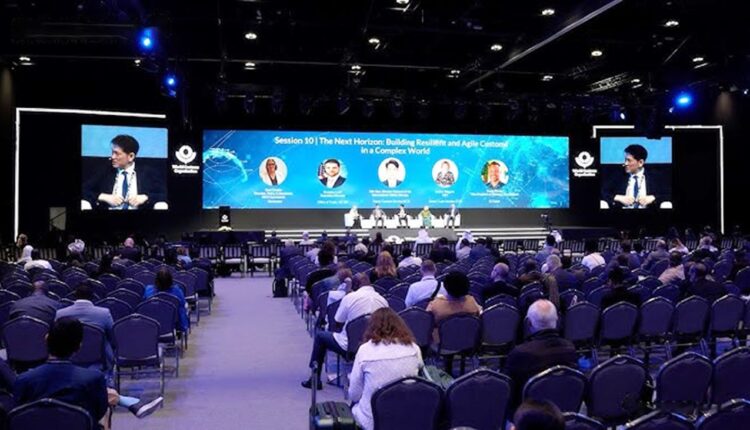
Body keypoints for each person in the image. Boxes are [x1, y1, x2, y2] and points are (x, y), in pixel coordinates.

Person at [13, 318, 163, 426]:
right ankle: (129, 402)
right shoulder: (93, 378)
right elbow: (97, 414)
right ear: (79, 347)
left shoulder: (23, 379)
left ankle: (130, 402)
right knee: (106, 404)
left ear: (46, 339)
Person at [302, 273, 388, 389]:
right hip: (375, 344)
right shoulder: (383, 300)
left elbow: (337, 321)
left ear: (354, 285)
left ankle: (314, 378)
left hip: (350, 346)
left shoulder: (350, 298)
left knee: (320, 337)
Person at [348, 308, 423, 430]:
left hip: (372, 422)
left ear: (372, 327)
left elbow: (354, 394)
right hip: (406, 417)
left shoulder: (365, 350)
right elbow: (419, 375)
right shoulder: (414, 348)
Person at [504, 300, 577, 411]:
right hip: (562, 413)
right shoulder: (570, 349)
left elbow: (507, 392)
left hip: (528, 415)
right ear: (557, 320)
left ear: (528, 323)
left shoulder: (520, 353)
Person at [83, 134, 165, 210]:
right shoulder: (105, 170)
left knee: (162, 206)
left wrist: (146, 197)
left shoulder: (147, 172)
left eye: (117, 153)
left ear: (131, 156)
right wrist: (104, 196)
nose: (112, 157)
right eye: (112, 152)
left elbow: (164, 194)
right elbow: (83, 190)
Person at [56, 283, 116, 369]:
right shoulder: (104, 313)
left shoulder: (60, 314)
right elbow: (113, 336)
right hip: (100, 360)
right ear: (93, 296)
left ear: (74, 296)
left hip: (68, 359)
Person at [426, 271, 481, 343]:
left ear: (445, 286)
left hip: (442, 343)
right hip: (469, 342)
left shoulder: (435, 305)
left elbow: (425, 323)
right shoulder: (472, 302)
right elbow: (480, 313)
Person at [611, 144, 667, 209]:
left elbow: (668, 193)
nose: (625, 164)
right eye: (625, 160)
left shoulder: (654, 177)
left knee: (667, 205)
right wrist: (619, 197)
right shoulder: (619, 175)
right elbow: (603, 192)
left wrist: (653, 198)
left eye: (629, 160)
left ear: (640, 162)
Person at [144, 268, 189, 333]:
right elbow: (183, 304)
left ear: (156, 280)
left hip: (151, 324)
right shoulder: (177, 291)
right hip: (172, 323)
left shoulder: (148, 290)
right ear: (171, 280)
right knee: (182, 307)